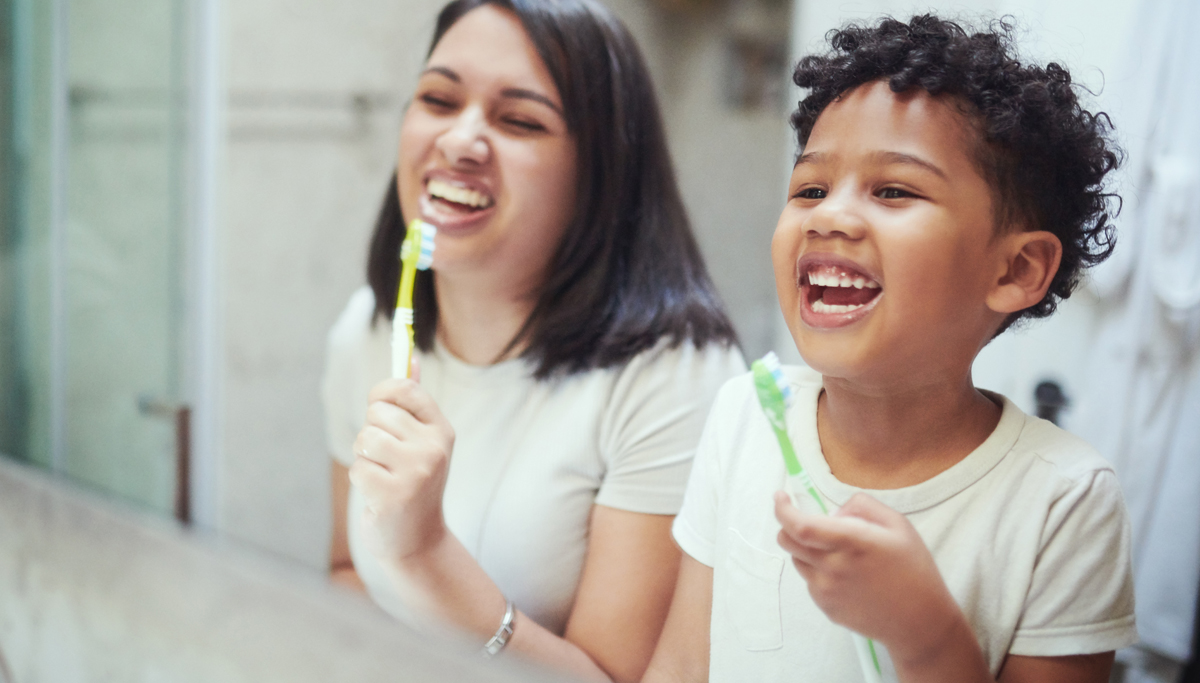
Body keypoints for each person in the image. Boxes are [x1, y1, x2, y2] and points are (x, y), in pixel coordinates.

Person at [644, 15, 1136, 683]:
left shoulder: (1064, 501)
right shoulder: (744, 417)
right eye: (810, 188)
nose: (828, 215)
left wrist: (924, 632)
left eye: (894, 191)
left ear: (1016, 271)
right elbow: (677, 665)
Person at [320, 1, 744, 681]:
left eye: (519, 119)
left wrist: (426, 553)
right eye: (437, 98)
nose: (459, 140)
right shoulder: (365, 333)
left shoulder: (676, 375)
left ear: (601, 174)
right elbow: (346, 571)